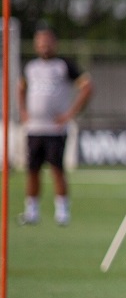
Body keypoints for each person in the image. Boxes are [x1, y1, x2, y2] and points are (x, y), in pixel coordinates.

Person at [17, 28, 93, 226]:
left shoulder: (64, 65)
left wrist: (70, 114)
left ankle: (62, 211)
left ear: (55, 43)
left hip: (55, 129)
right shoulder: (31, 67)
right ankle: (31, 211)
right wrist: (23, 111)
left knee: (57, 169)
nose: (44, 45)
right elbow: (21, 88)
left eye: (47, 41)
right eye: (40, 41)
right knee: (32, 169)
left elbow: (87, 86)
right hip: (34, 128)